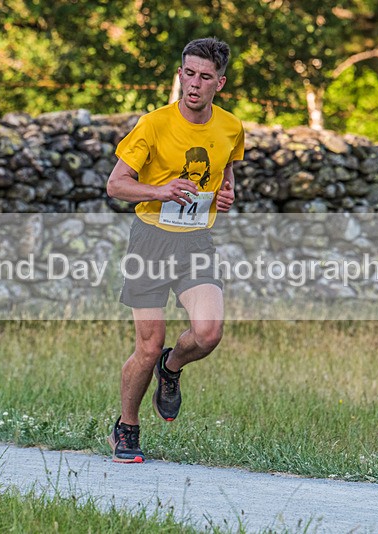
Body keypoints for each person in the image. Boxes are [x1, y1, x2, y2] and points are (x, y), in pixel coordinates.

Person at [105, 37, 245, 463]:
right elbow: (116, 185)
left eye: (205, 77)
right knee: (148, 345)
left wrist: (226, 194)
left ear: (219, 83)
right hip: (150, 239)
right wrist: (160, 190)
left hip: (196, 241)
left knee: (208, 333)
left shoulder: (230, 127)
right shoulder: (154, 124)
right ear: (180, 74)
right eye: (189, 73)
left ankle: (172, 368)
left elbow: (227, 173)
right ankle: (127, 427)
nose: (195, 84)